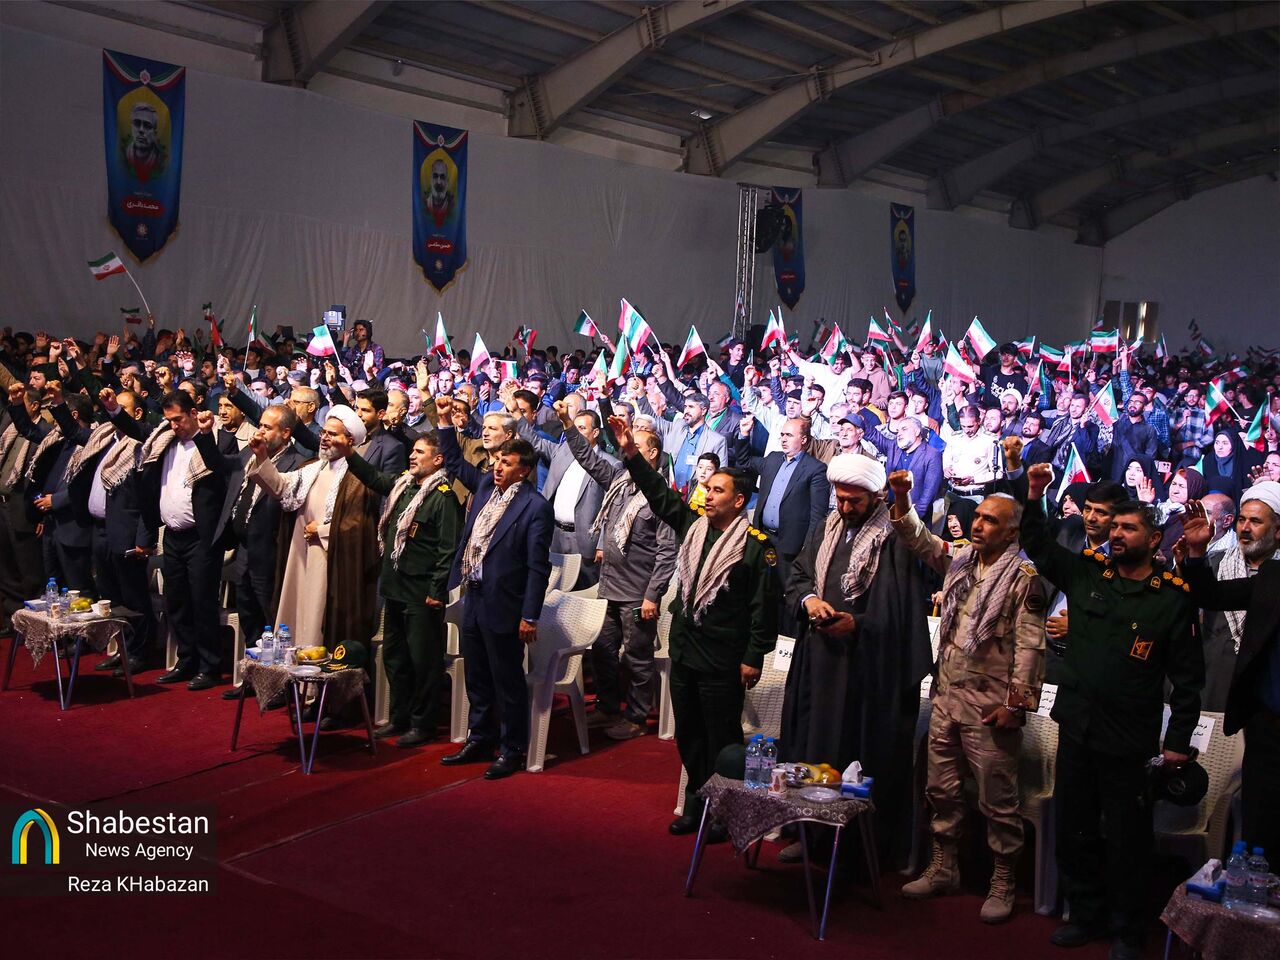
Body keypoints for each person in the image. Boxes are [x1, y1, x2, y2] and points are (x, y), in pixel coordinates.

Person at [1022, 464, 1203, 960]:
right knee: (1074, 827)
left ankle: (1127, 929)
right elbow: (1036, 543)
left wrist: (1177, 743)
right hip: (1078, 724)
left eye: (1128, 528)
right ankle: (1085, 914)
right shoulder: (1086, 572)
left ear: (1153, 537)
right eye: (1114, 526)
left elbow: (1188, 680)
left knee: (1127, 837)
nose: (1117, 534)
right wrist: (1034, 492)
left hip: (1129, 736)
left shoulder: (1171, 598)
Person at [609, 413, 779, 838]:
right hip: (686, 650)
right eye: (707, 487)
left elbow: (763, 610)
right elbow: (659, 494)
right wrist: (631, 453)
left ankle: (727, 812)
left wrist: (753, 657)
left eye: (717, 490)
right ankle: (698, 804)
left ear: (739, 501)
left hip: (723, 656)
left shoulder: (755, 548)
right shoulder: (693, 526)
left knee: (722, 738)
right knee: (689, 734)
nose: (707, 494)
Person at [889, 472, 1046, 923]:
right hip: (948, 696)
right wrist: (901, 496)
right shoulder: (961, 560)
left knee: (998, 800)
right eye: (977, 516)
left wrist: (1016, 706)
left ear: (1012, 532)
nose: (978, 525)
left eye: (990, 520)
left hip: (991, 706)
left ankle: (1003, 880)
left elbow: (1030, 646)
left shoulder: (1024, 577)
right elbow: (921, 541)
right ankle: (944, 868)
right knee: (941, 790)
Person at [784, 454, 933, 868]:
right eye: (841, 499)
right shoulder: (825, 527)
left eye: (855, 501)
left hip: (869, 671)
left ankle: (856, 851)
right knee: (812, 745)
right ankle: (809, 833)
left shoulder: (894, 538)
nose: (846, 507)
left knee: (858, 755)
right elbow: (799, 575)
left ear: (876, 497)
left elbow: (902, 612)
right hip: (819, 660)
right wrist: (810, 600)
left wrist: (859, 625)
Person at [435, 397, 552, 780]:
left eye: (507, 462)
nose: (497, 466)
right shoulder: (487, 485)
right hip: (475, 595)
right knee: (477, 675)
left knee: (507, 680)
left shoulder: (535, 507)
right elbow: (455, 464)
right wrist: (444, 423)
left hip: (506, 603)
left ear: (525, 470)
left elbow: (538, 567)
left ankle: (513, 747)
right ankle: (480, 737)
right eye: (497, 461)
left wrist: (530, 614)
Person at [557, 401, 677, 740]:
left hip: (638, 592)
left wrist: (652, 595)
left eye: (635, 445)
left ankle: (637, 717)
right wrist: (567, 424)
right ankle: (609, 707)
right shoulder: (619, 481)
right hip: (608, 585)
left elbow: (667, 552)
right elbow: (588, 457)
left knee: (637, 657)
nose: (627, 449)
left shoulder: (662, 497)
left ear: (652, 454)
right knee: (603, 651)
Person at [245, 406, 381, 697]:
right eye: (324, 432)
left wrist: (323, 530)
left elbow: (361, 526)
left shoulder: (358, 477)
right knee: (297, 617)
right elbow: (281, 487)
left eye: (332, 434)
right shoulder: (313, 468)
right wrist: (262, 457)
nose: (325, 438)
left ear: (349, 441)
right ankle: (294, 687)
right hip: (301, 556)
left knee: (318, 620)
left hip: (331, 560)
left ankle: (318, 694)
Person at [1179, 484, 1280, 859]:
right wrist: (1196, 553)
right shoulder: (1273, 578)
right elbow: (1211, 596)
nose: (1245, 528)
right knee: (1261, 835)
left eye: (1257, 520)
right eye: (1242, 519)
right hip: (1268, 728)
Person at [346, 433, 463, 747]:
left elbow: (447, 550)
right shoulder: (404, 485)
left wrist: (437, 590)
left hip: (421, 592)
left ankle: (423, 724)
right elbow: (374, 478)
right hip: (395, 587)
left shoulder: (443, 497)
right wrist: (349, 454)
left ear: (438, 460)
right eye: (412, 450)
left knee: (423, 661)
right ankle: (399, 717)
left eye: (420, 452)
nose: (412, 456)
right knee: (395, 658)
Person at [115, 390, 231, 690]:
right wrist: (113, 409)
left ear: (193, 413)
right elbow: (135, 428)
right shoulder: (164, 441)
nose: (174, 425)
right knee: (177, 601)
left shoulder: (216, 440)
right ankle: (186, 659)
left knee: (202, 602)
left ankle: (209, 667)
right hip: (172, 536)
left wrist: (204, 435)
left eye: (178, 419)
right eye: (169, 420)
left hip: (201, 537)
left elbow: (219, 469)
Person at [213, 403, 307, 702]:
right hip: (244, 549)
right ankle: (254, 679)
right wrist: (204, 436)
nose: (261, 431)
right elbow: (220, 465)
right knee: (249, 617)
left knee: (274, 621)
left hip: (271, 552)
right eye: (261, 425)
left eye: (268, 427)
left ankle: (279, 685)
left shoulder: (297, 463)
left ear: (286, 433)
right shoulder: (248, 453)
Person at [65, 388, 156, 676]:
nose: (110, 410)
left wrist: (143, 538)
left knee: (133, 597)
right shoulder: (104, 438)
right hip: (100, 530)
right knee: (110, 595)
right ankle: (122, 649)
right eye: (108, 407)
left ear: (137, 413)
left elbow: (147, 500)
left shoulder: (143, 443)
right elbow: (73, 431)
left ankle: (140, 653)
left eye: (118, 407)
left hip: (125, 532)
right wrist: (57, 403)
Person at [731, 416, 829, 632]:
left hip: (789, 545)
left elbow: (818, 515)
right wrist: (744, 435)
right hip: (762, 538)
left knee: (785, 595)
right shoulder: (773, 459)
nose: (783, 439)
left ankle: (784, 638)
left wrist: (808, 548)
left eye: (789, 435)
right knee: (756, 587)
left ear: (804, 439)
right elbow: (744, 462)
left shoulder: (816, 469)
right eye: (782, 435)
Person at [512, 403, 616, 587]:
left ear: (596, 433)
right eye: (574, 428)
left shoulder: (610, 464)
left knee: (582, 589)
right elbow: (535, 441)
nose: (575, 433)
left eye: (581, 428)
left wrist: (602, 544)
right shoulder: (562, 450)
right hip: (554, 533)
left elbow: (612, 510)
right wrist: (515, 412)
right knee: (549, 586)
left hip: (584, 540)